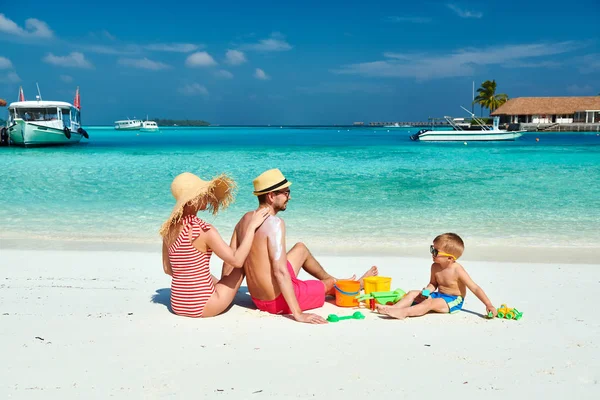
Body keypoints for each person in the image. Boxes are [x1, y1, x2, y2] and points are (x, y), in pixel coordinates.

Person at [224, 168, 377, 324]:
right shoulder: (275, 224)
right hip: (276, 301)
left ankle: (332, 279)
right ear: (271, 196)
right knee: (329, 285)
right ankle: (353, 286)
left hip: (258, 298)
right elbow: (280, 271)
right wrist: (298, 314)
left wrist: (227, 291)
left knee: (300, 248)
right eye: (286, 193)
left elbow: (229, 263)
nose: (289, 197)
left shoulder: (244, 220)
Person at [159, 172, 270, 318]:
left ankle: (219, 286)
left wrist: (206, 281)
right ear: (193, 199)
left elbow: (168, 269)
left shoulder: (168, 229)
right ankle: (266, 295)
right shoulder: (204, 230)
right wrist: (252, 226)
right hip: (203, 306)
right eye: (203, 193)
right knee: (243, 260)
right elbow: (236, 261)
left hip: (177, 304)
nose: (208, 195)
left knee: (215, 276)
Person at [377, 233, 497, 320]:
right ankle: (395, 308)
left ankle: (404, 313)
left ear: (450, 258)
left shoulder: (457, 270)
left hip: (453, 300)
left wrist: (488, 305)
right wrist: (427, 291)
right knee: (413, 293)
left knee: (429, 304)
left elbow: (474, 288)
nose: (432, 253)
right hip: (438, 295)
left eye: (436, 252)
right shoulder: (435, 266)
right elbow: (433, 284)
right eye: (432, 249)